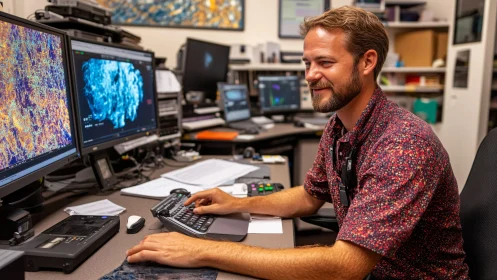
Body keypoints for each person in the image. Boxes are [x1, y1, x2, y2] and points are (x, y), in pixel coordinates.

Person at [126, 6, 469, 279]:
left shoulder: (403, 145)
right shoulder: (339, 126)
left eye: (325, 62)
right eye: (307, 63)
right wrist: (233, 203)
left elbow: (343, 268)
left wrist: (200, 250)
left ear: (367, 62)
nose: (309, 75)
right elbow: (308, 196)